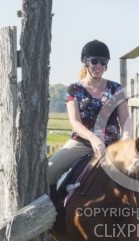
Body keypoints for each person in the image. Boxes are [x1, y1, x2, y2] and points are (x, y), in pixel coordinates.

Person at [48, 39, 132, 193]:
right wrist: (93, 138)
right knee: (49, 170)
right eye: (94, 61)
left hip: (112, 144)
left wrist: (126, 139)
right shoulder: (74, 89)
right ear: (85, 61)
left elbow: (125, 119)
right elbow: (75, 122)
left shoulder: (116, 88)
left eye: (103, 62)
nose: (99, 66)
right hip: (82, 143)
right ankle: (52, 210)